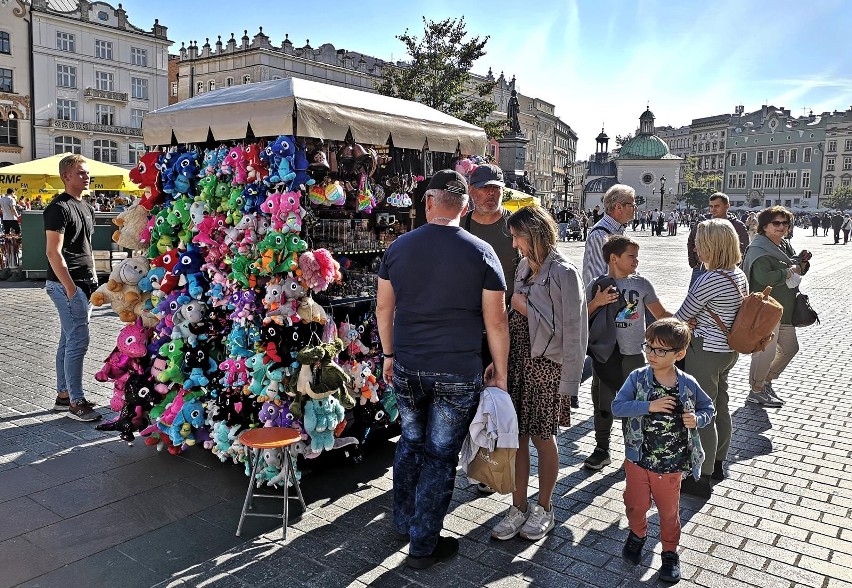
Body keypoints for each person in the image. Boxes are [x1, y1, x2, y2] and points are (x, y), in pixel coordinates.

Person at [377, 169, 509, 569]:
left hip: (409, 364)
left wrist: (387, 355)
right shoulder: (481, 252)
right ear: (465, 205)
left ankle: (404, 522)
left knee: (411, 442)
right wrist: (499, 371)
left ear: (428, 202)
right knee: (439, 455)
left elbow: (384, 308)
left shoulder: (399, 247)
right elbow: (496, 321)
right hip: (457, 367)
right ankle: (423, 543)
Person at [489, 206, 586, 542]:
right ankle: (518, 506)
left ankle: (544, 507)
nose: (514, 243)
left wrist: (570, 381)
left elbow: (573, 330)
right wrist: (497, 359)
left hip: (547, 368)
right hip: (517, 362)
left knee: (544, 439)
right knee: (516, 439)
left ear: (534, 233)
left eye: (517, 236)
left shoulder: (564, 271)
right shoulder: (523, 266)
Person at [612, 318, 715, 584]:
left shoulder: (687, 383)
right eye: (649, 347)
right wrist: (649, 406)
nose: (651, 354)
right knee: (635, 504)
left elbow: (708, 409)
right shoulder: (638, 378)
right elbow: (617, 407)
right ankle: (637, 535)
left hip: (671, 465)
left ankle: (670, 554)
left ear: (678, 354)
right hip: (638, 460)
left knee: (669, 513)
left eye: (660, 350)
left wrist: (698, 420)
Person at [585, 235, 673, 470]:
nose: (636, 261)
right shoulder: (598, 284)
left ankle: (632, 451)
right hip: (605, 354)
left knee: (633, 404)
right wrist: (597, 301)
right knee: (603, 402)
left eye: (637, 256)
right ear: (614, 258)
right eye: (631, 256)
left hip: (633, 354)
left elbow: (660, 313)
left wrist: (683, 323)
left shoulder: (642, 284)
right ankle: (601, 448)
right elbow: (580, 315)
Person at [674, 219, 746, 498]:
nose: (695, 248)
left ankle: (700, 477)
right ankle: (717, 464)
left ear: (712, 246)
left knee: (701, 412)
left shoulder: (709, 279)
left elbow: (681, 317)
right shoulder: (737, 274)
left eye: (699, 244)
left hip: (705, 350)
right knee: (720, 405)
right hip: (728, 351)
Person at [463, 162, 519, 495]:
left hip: (506, 325)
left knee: (498, 395)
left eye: (495, 188)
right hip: (468, 327)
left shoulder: (514, 226)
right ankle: (471, 458)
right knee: (471, 396)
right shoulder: (463, 224)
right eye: (483, 188)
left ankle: (489, 464)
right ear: (470, 191)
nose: (490, 194)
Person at [581, 184, 636, 471]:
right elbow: (594, 278)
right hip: (606, 320)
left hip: (624, 321)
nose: (634, 208)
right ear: (616, 206)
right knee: (603, 384)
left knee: (627, 385)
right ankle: (602, 448)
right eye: (630, 203)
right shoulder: (599, 236)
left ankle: (630, 450)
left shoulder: (620, 234)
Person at [44, 154, 101, 422]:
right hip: (68, 284)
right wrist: (69, 288)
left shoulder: (86, 207)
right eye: (80, 173)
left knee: (68, 340)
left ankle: (64, 396)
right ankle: (76, 402)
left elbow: (85, 247)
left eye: (87, 172)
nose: (86, 176)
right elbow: (53, 252)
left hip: (84, 282)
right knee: (79, 340)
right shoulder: (58, 207)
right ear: (65, 176)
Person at [742, 207, 810, 408]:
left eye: (785, 223)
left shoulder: (784, 245)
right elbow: (763, 278)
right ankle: (756, 391)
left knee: (790, 348)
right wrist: (788, 272)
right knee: (765, 352)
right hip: (766, 309)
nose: (782, 227)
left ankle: (766, 381)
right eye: (776, 223)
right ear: (764, 226)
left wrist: (801, 264)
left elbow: (794, 266)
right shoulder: (759, 249)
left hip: (786, 308)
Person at [687, 193, 749, 287]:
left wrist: (733, 265)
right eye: (711, 206)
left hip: (725, 269)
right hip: (701, 267)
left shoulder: (737, 225)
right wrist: (693, 263)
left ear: (727, 206)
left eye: (717, 206)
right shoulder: (703, 222)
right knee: (695, 297)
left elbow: (743, 248)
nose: (713, 209)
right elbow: (691, 241)